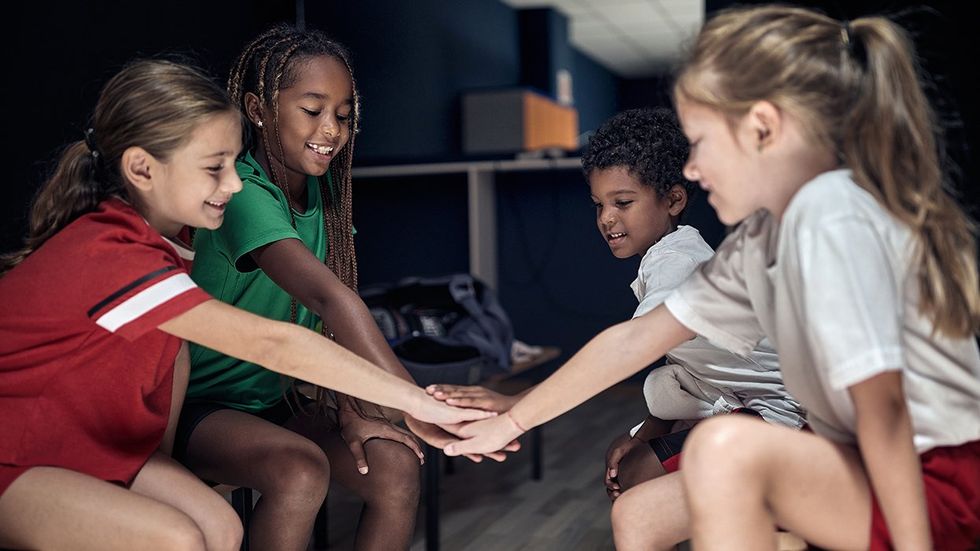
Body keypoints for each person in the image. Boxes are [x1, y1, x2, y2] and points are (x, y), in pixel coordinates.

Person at [445, 5, 980, 550]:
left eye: (700, 142)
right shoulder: (763, 238)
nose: (693, 169)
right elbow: (634, 341)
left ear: (762, 128)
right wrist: (514, 417)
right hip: (849, 458)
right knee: (643, 514)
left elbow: (885, 412)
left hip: (929, 481)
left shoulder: (831, 214)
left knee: (720, 448)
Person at [0, 59, 488, 551]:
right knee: (178, 538)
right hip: (21, 454)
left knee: (223, 528)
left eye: (234, 164)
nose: (234, 184)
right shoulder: (110, 253)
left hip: (90, 445)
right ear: (143, 169)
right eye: (215, 168)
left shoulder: (169, 241)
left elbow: (171, 361)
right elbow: (274, 344)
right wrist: (416, 402)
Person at [175, 25, 510, 551]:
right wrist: (416, 403)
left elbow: (325, 323)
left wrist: (351, 406)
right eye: (313, 110)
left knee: (396, 467)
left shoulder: (325, 189)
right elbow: (329, 298)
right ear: (258, 109)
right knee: (300, 472)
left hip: (275, 399)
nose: (331, 129)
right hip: (199, 407)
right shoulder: (241, 189)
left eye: (344, 115)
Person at [429, 108, 804, 500]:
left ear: (674, 199)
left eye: (622, 202)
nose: (606, 218)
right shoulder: (676, 253)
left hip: (786, 420)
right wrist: (644, 433)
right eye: (599, 204)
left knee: (637, 483)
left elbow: (628, 347)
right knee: (634, 469)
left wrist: (515, 408)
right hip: (752, 407)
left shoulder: (677, 262)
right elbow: (695, 370)